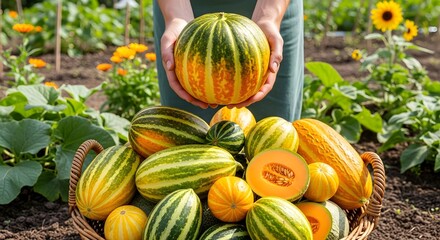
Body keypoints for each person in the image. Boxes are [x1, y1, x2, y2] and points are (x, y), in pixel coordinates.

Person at [153, 0, 304, 123]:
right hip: (179, 10)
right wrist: (176, 17)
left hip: (272, 8)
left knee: (271, 135)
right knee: (186, 139)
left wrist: (269, 15)